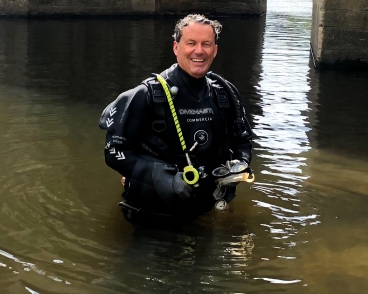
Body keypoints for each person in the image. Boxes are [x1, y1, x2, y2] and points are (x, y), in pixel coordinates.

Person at [99, 14, 255, 222]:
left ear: (215, 51)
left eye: (206, 44)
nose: (199, 51)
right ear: (176, 48)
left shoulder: (225, 94)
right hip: (155, 214)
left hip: (208, 209)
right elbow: (114, 151)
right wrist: (158, 175)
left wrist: (240, 165)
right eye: (191, 43)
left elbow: (243, 141)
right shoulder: (146, 95)